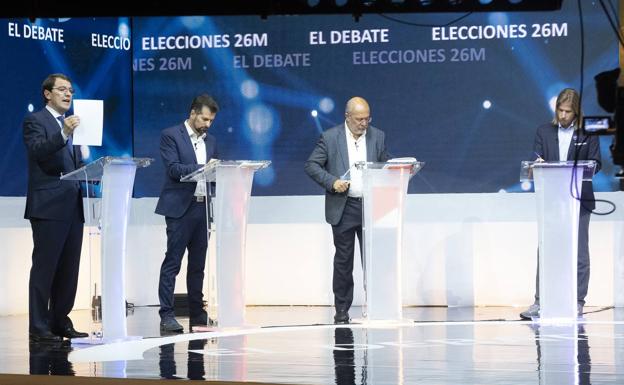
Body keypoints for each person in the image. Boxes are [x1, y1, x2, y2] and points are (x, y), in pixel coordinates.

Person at [304, 96, 391, 324]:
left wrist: (398, 170)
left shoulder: (377, 136)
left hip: (371, 207)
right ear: (347, 117)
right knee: (344, 261)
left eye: (367, 119)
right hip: (343, 206)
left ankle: (377, 307)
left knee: (373, 261)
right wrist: (332, 181)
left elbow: (385, 165)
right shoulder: (330, 137)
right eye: (359, 119)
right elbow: (311, 165)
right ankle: (341, 310)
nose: (364, 124)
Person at [520, 88, 601, 320]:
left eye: (568, 111)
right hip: (552, 200)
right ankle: (540, 301)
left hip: (579, 199)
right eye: (560, 110)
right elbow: (536, 160)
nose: (564, 115)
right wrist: (538, 163)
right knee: (545, 251)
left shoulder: (588, 132)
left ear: (576, 112)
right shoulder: (544, 131)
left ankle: (577, 301)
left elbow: (597, 163)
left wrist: (586, 166)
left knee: (579, 253)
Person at [23, 73, 89, 342]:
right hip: (48, 205)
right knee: (45, 268)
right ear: (47, 94)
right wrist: (64, 133)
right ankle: (38, 327)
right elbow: (38, 151)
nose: (68, 94)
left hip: (72, 204)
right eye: (62, 89)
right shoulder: (35, 121)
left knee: (69, 269)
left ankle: (60, 320)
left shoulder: (71, 126)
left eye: (71, 90)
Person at [156, 94, 219, 332]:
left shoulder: (210, 141)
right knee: (173, 261)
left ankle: (197, 312)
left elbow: (213, 173)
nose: (207, 124)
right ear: (192, 113)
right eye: (204, 119)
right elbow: (173, 169)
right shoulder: (171, 135)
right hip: (180, 207)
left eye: (211, 120)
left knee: (198, 264)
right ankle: (167, 314)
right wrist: (205, 168)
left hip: (203, 207)